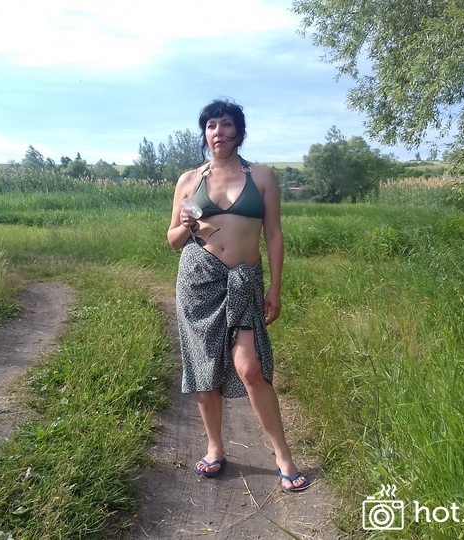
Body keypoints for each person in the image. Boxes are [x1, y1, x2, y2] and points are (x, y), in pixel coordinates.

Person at [166, 99, 310, 493]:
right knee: (204, 367)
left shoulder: (261, 176)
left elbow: (273, 234)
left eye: (227, 124)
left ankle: (283, 456)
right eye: (212, 125)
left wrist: (275, 287)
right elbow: (173, 240)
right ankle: (215, 447)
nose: (219, 132)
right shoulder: (189, 180)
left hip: (244, 281)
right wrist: (186, 224)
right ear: (205, 133)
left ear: (240, 132)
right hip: (198, 281)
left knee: (250, 368)